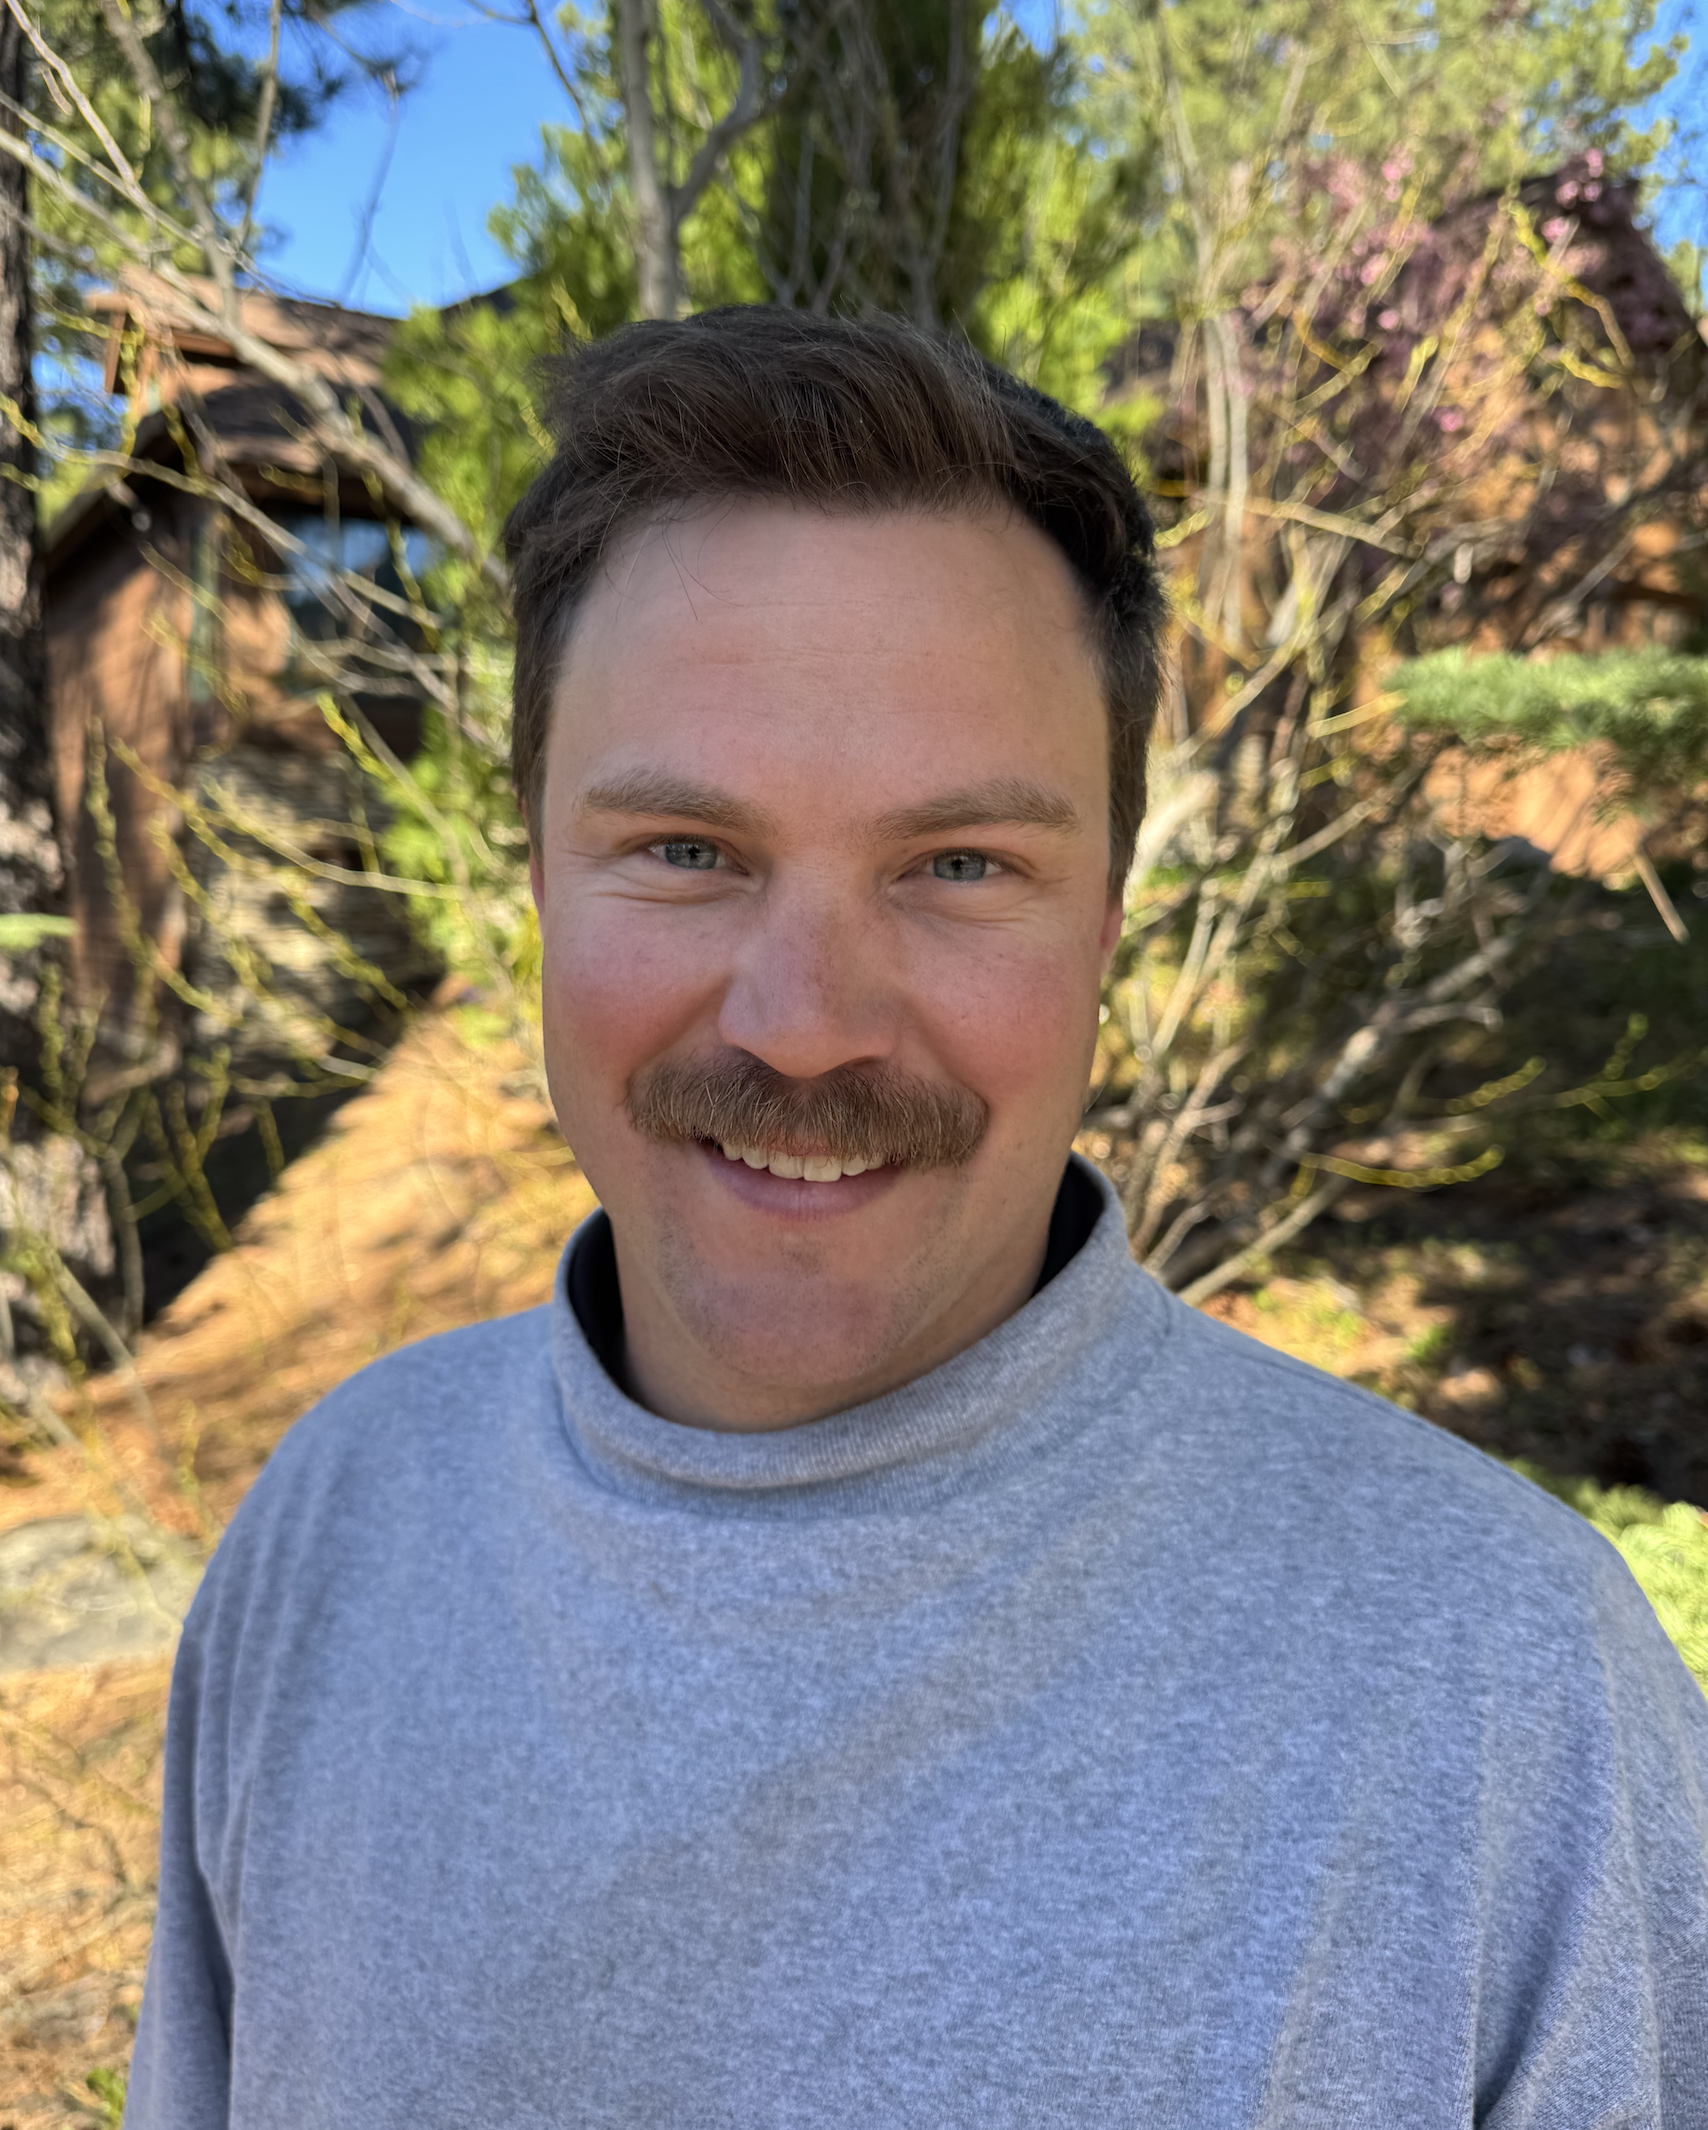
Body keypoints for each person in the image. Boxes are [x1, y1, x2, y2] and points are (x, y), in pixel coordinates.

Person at [126, 309, 1708, 2130]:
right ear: (538, 879)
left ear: (1107, 920)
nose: (804, 1022)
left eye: (960, 866)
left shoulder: (1508, 1707)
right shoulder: (329, 1538)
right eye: (687, 851)